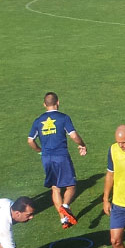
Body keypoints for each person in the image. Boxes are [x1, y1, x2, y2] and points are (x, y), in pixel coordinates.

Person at [27, 92, 87, 229]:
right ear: (58, 102)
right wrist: (82, 144)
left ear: (44, 105)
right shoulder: (63, 118)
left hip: (46, 158)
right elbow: (73, 135)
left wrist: (39, 151)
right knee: (71, 186)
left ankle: (63, 220)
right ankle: (65, 206)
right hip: (61, 156)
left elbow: (30, 141)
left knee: (55, 188)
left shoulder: (38, 120)